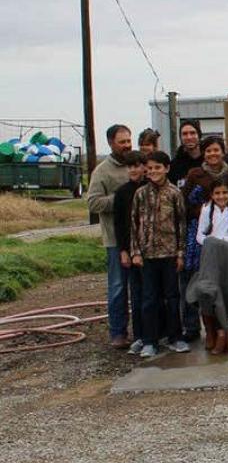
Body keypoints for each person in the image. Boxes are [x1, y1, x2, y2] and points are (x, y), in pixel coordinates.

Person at [180, 135, 228, 342]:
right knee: (204, 284)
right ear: (203, 154)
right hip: (202, 236)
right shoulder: (195, 174)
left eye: (216, 150)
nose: (213, 154)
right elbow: (184, 203)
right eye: (208, 151)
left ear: (222, 152)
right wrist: (205, 212)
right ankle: (207, 330)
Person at [130, 151, 188, 358]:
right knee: (149, 299)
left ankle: (176, 337)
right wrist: (135, 252)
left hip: (170, 254)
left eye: (158, 167)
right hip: (147, 255)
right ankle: (149, 340)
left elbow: (181, 225)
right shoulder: (140, 194)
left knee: (172, 297)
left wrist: (181, 253)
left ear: (167, 168)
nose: (153, 171)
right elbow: (134, 224)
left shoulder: (174, 194)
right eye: (150, 168)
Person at [86, 123, 134, 349]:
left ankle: (146, 332)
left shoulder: (136, 164)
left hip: (140, 239)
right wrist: (121, 199)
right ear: (111, 143)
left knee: (143, 288)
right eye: (122, 142)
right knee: (118, 287)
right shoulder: (102, 171)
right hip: (116, 240)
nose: (127, 145)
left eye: (128, 140)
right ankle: (118, 332)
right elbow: (93, 203)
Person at [191, 177, 228, 354]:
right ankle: (218, 333)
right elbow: (200, 235)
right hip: (211, 258)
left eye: (224, 192)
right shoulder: (207, 209)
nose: (221, 196)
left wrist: (223, 242)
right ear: (211, 194)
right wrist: (213, 243)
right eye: (217, 193)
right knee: (212, 293)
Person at [112, 150, 147, 354]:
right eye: (130, 166)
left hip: (151, 250)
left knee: (154, 294)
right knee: (137, 293)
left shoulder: (149, 189)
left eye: (137, 166)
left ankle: (158, 332)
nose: (134, 170)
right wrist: (123, 251)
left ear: (144, 167)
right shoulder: (122, 192)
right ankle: (140, 335)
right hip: (131, 251)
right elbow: (119, 224)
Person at [168, 119, 203, 185]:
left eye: (192, 133)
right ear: (180, 138)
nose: (189, 137)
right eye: (185, 134)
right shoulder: (174, 166)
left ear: (199, 135)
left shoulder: (209, 161)